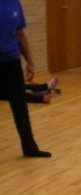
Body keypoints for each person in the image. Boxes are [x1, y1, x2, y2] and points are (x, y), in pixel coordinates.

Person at [0, 0, 51, 157]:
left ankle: (30, 148)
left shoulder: (14, 3)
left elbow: (20, 33)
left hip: (11, 61)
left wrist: (30, 62)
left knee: (20, 104)